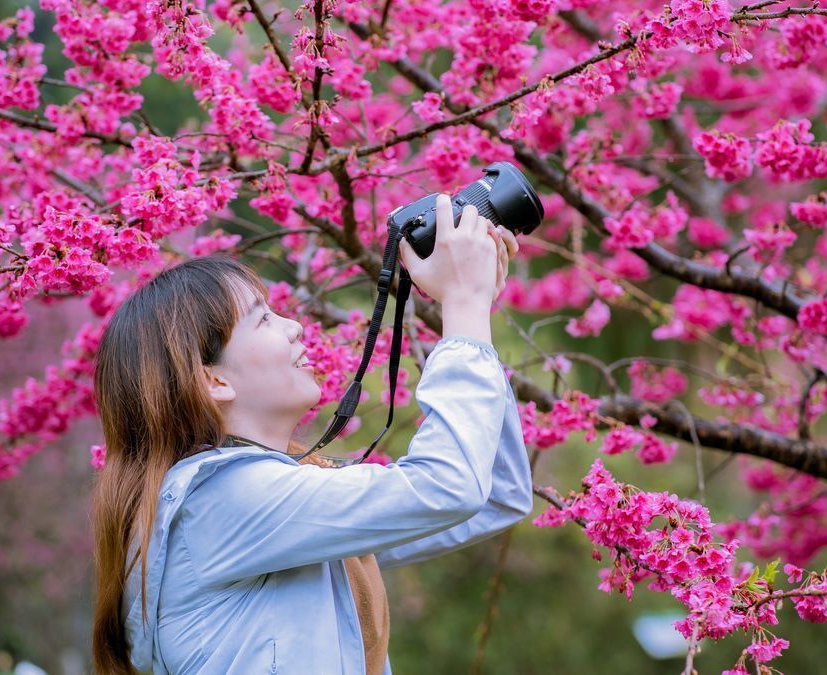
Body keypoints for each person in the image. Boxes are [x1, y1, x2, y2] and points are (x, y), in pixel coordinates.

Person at [90, 194, 533, 674]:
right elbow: (448, 487)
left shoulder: (279, 509)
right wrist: (461, 306)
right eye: (263, 318)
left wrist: (475, 311)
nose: (296, 327)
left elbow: (495, 494)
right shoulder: (220, 503)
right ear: (213, 380)